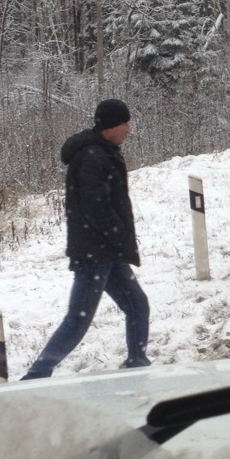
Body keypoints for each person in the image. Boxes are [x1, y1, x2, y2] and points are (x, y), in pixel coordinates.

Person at [21, 98, 151, 378]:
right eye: (125, 123)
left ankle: (138, 364)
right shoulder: (92, 156)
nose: (129, 128)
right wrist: (120, 235)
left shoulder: (104, 151)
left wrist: (119, 241)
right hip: (95, 253)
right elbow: (96, 208)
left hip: (107, 251)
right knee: (78, 320)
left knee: (137, 305)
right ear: (111, 127)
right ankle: (36, 375)